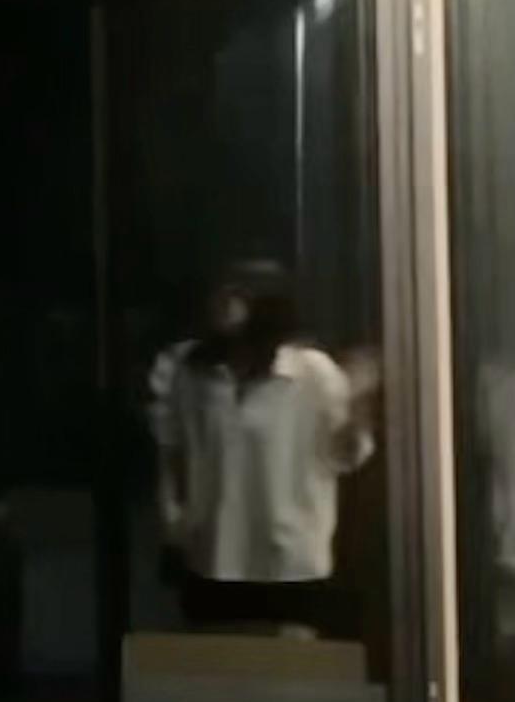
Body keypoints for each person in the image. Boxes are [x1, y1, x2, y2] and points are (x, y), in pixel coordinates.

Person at [149, 262, 372, 629]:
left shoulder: (311, 372)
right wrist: (175, 526)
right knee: (214, 661)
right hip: (211, 557)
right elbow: (172, 452)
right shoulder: (187, 370)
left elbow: (347, 453)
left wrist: (359, 400)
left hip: (290, 564)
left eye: (240, 292)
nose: (225, 301)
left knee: (292, 661)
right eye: (222, 290)